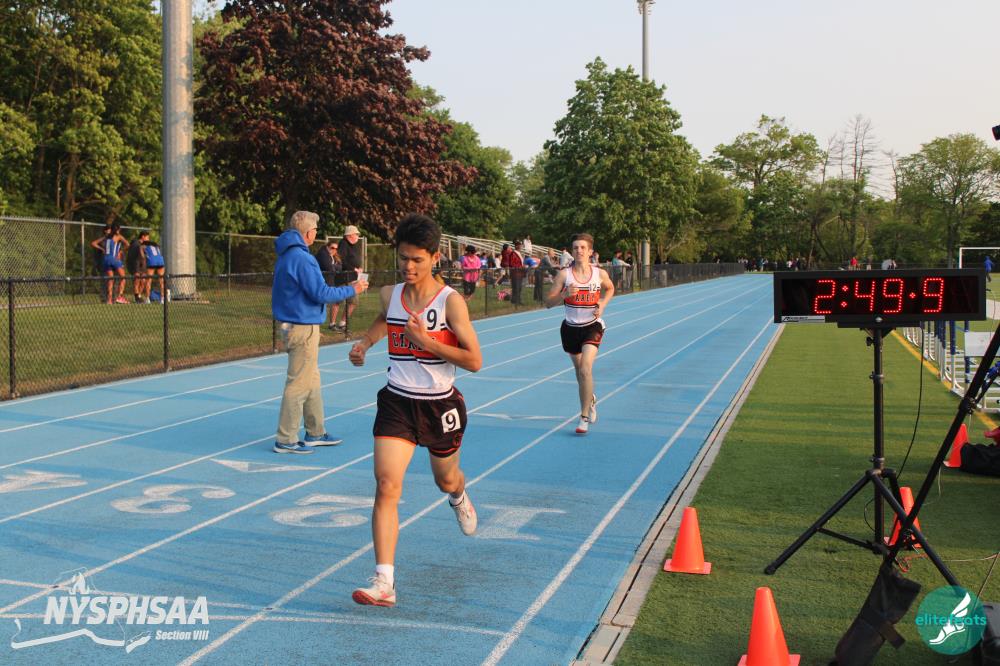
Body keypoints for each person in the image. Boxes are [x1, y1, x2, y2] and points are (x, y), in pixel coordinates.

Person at [348, 213, 482, 607]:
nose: (408, 266)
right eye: (403, 258)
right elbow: (384, 320)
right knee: (386, 484)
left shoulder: (450, 302)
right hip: (397, 402)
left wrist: (426, 342)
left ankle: (459, 495)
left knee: (446, 479)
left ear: (435, 257)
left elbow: (474, 360)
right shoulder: (390, 294)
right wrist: (365, 343)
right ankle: (384, 581)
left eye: (417, 260)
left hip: (440, 406)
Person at [272, 211, 369, 454]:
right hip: (301, 325)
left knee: (311, 380)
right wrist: (353, 289)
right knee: (299, 382)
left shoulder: (286, 254)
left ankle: (315, 432)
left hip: (290, 323)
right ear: (308, 233)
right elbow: (321, 293)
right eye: (315, 230)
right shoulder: (302, 258)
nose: (316, 233)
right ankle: (286, 438)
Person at [544, 233, 615, 435]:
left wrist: (602, 304)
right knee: (579, 372)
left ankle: (583, 417)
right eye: (575, 247)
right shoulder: (564, 275)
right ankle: (590, 398)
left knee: (585, 369)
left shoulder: (599, 274)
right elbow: (548, 303)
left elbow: (610, 288)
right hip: (570, 329)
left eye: (583, 247)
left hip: (592, 326)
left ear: (590, 251)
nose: (579, 251)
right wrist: (563, 295)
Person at [330, 224, 364, 330]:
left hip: (353, 278)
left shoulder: (354, 246)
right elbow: (340, 260)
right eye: (356, 234)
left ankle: (342, 323)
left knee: (353, 302)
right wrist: (353, 268)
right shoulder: (343, 244)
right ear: (349, 235)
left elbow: (354, 260)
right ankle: (332, 324)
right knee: (338, 300)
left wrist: (359, 268)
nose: (357, 236)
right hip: (343, 278)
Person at [91, 223, 129, 304]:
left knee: (110, 280)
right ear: (117, 230)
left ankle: (109, 300)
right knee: (123, 277)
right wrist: (120, 251)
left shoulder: (106, 237)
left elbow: (93, 243)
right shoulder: (118, 236)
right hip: (113, 258)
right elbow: (127, 244)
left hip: (105, 259)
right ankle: (120, 296)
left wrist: (102, 249)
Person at [316, 238, 341, 328]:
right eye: (332, 248)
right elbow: (329, 268)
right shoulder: (323, 254)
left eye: (336, 248)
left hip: (331, 282)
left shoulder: (334, 256)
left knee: (336, 301)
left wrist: (334, 267)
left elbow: (340, 267)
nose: (334, 250)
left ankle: (332, 324)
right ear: (327, 247)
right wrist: (334, 267)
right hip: (322, 282)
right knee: (321, 304)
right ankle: (316, 326)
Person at [126, 231, 149, 302]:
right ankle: (137, 297)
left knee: (143, 280)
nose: (148, 239)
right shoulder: (135, 243)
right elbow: (132, 253)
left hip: (143, 263)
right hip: (135, 263)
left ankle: (139, 295)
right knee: (137, 279)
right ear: (143, 236)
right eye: (147, 237)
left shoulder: (145, 245)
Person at [143, 238, 166, 302]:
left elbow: (142, 256)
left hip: (152, 261)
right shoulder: (156, 246)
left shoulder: (143, 246)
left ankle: (147, 299)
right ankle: (162, 299)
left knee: (149, 280)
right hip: (160, 260)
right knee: (161, 281)